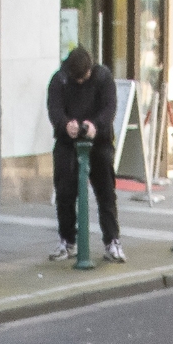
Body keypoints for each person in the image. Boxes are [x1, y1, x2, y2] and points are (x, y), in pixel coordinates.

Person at [47, 43, 123, 261]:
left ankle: (112, 240)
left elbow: (110, 107)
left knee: (106, 191)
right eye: (76, 78)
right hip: (66, 142)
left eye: (84, 77)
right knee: (65, 192)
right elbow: (54, 109)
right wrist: (65, 124)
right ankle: (67, 240)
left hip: (98, 141)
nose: (80, 82)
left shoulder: (103, 77)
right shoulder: (59, 79)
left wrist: (95, 125)